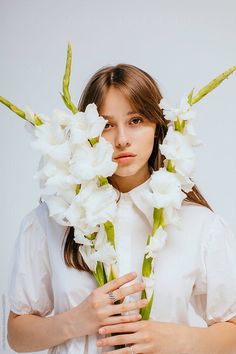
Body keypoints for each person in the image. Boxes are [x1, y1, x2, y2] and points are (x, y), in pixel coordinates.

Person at [7, 64, 236, 354]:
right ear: (85, 133)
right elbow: (16, 335)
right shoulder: (53, 219)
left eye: (136, 120)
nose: (122, 139)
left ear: (158, 128)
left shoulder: (200, 225)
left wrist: (175, 339)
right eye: (106, 125)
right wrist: (75, 321)